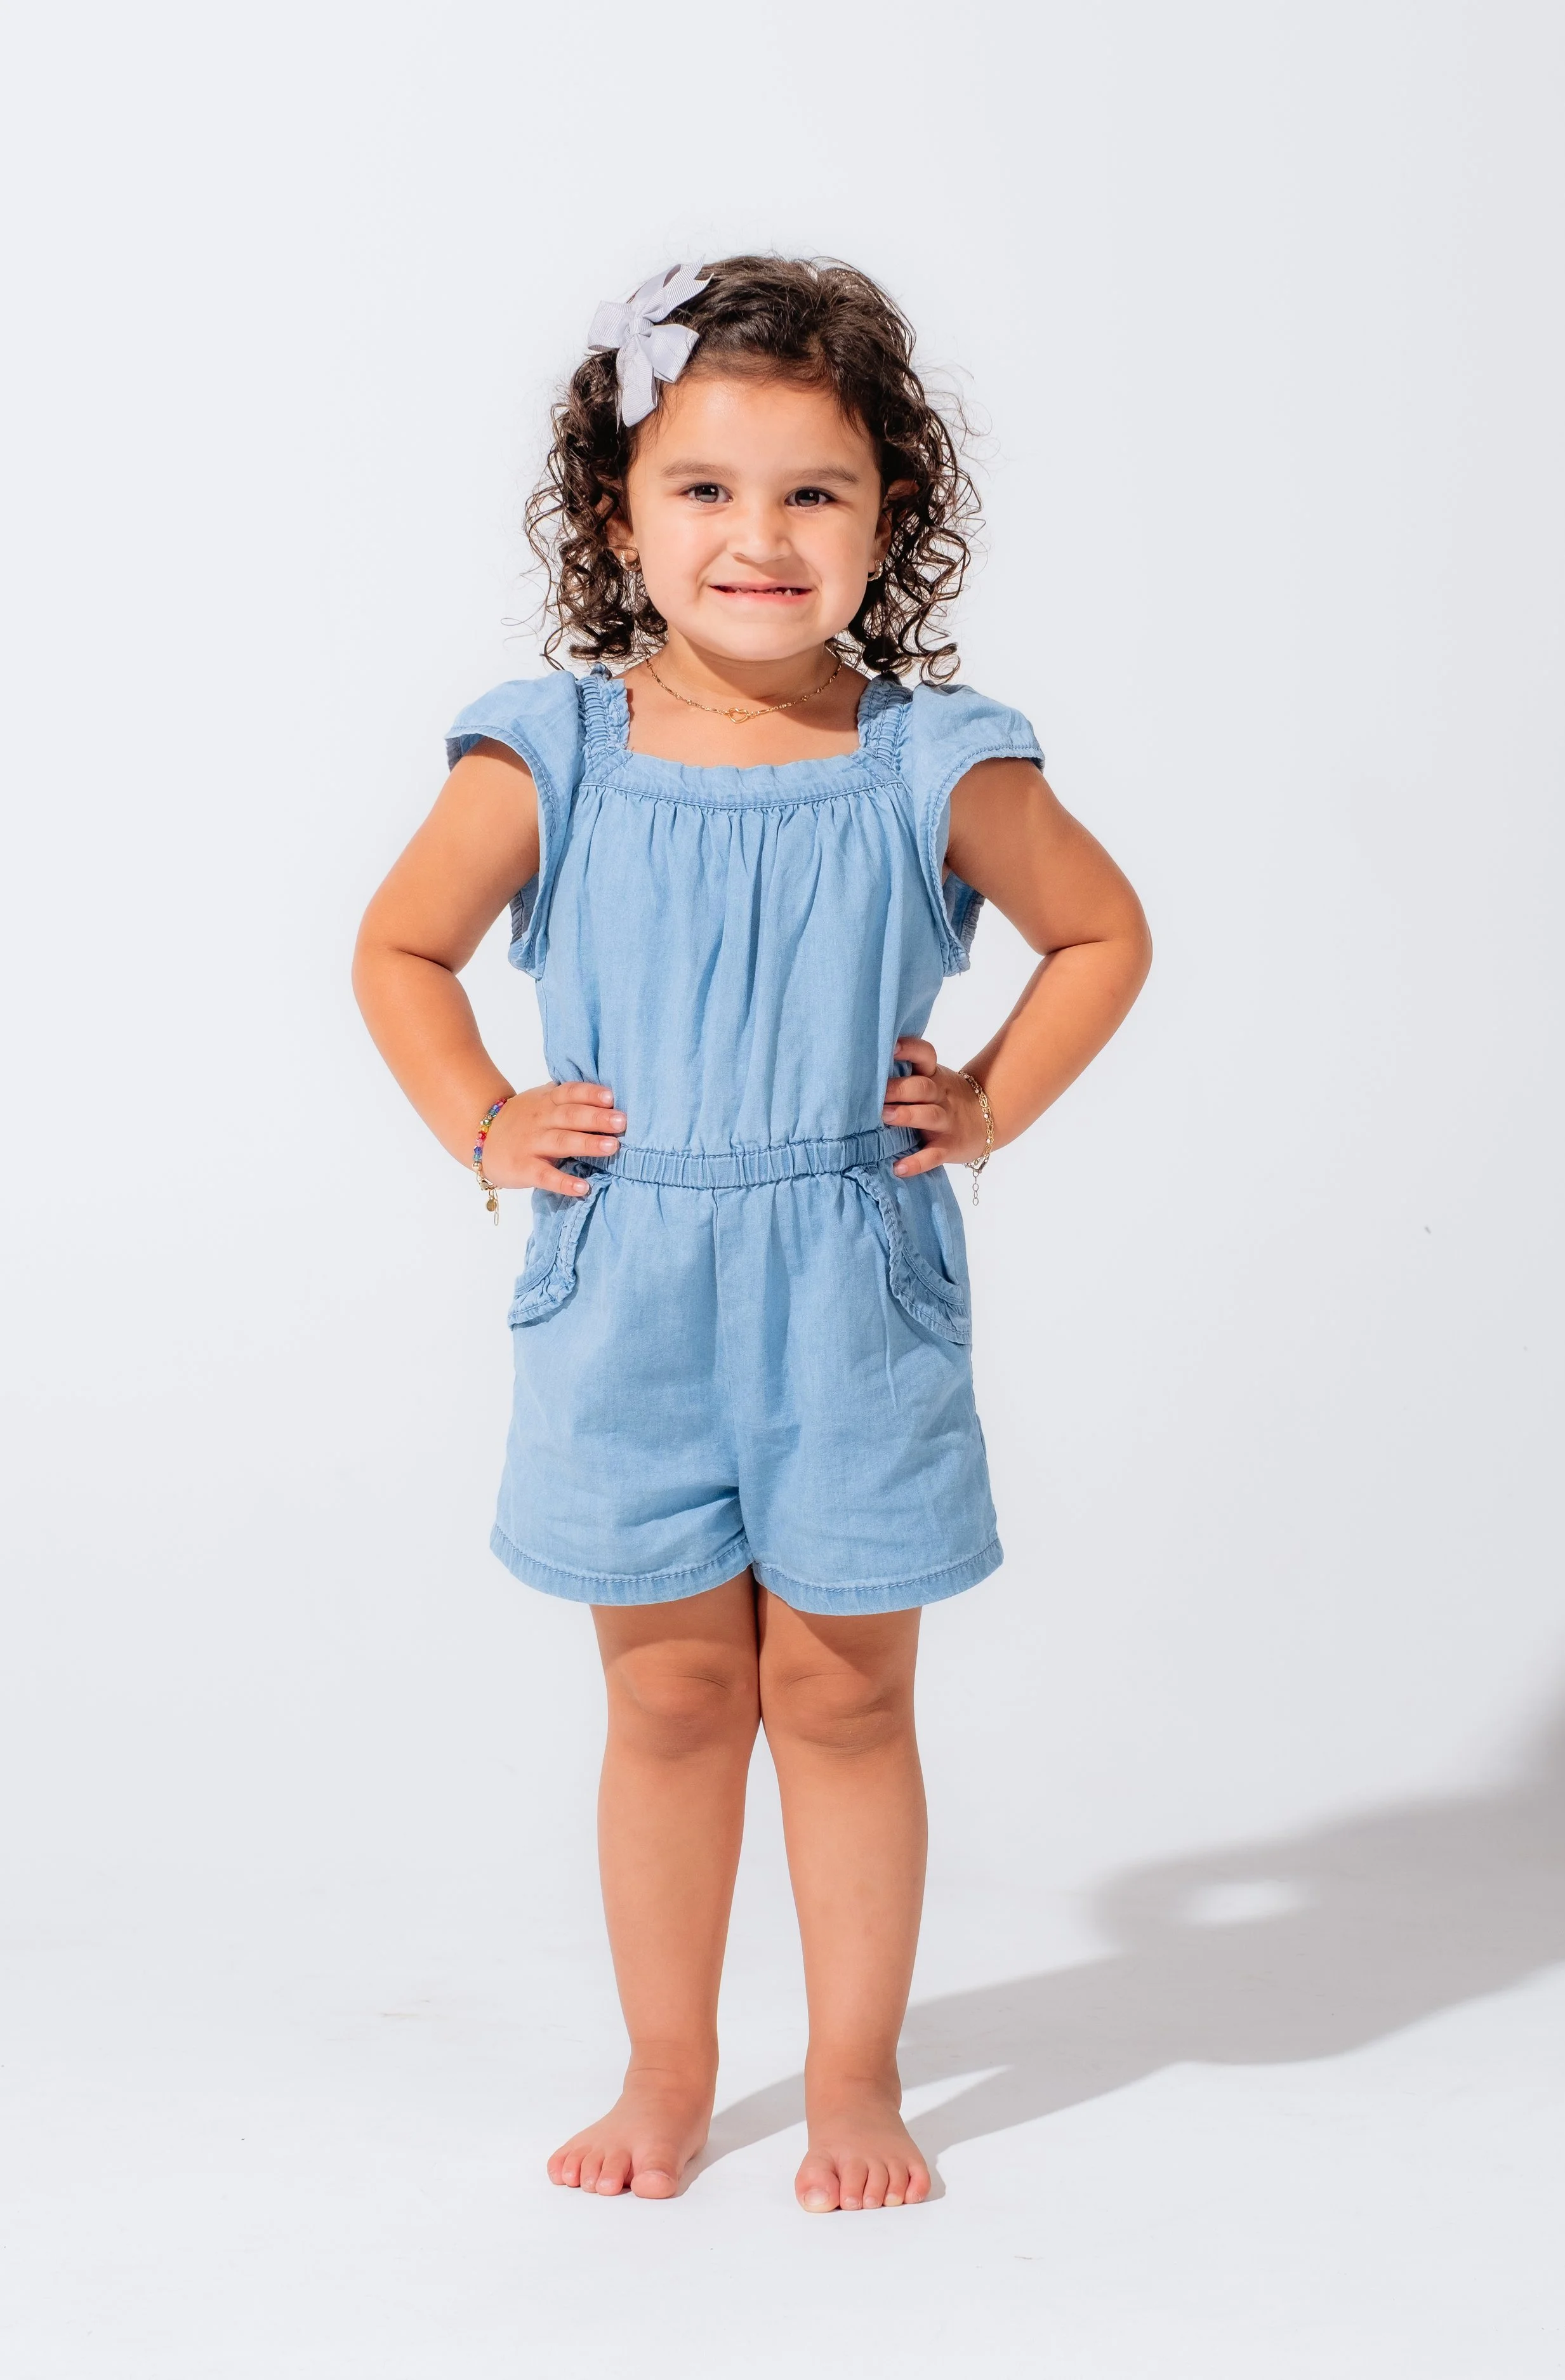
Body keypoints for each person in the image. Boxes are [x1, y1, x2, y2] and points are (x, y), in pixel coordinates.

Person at [352, 255, 1152, 2213]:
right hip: (623, 1281)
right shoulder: (547, 751)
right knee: (672, 1692)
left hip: (850, 1283)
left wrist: (985, 1100)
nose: (758, 536)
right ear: (617, 512)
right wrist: (485, 1119)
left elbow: (1100, 931)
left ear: (891, 513)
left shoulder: (931, 759)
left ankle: (855, 2073)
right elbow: (398, 949)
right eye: (703, 487)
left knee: (842, 1691)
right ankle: (667, 2063)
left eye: (814, 491)